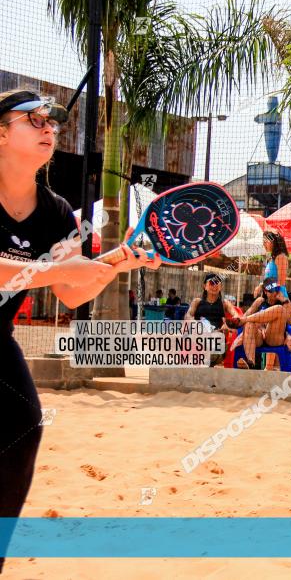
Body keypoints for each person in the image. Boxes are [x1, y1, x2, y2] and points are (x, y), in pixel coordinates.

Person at [0, 89, 161, 574]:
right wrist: (60, 271)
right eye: (35, 119)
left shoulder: (55, 211)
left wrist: (115, 264)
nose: (49, 127)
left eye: (53, 122)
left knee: (24, 428)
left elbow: (72, 295)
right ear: (1, 132)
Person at [231, 278, 291, 370]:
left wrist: (285, 300)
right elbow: (243, 318)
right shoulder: (260, 301)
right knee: (248, 324)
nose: (275, 293)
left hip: (274, 338)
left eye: (276, 289)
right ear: (265, 291)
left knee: (278, 309)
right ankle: (250, 362)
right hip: (259, 337)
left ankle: (249, 321)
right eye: (271, 291)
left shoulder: (284, 302)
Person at [185, 273, 241, 366]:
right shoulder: (197, 301)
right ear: (204, 286)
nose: (214, 286)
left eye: (217, 283)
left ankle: (206, 361)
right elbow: (188, 315)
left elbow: (236, 314)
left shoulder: (224, 303)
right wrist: (196, 324)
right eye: (211, 283)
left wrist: (227, 324)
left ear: (221, 287)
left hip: (216, 335)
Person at [263, 230, 290, 299]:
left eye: (265, 241)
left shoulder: (281, 257)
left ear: (274, 241)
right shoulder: (272, 258)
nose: (263, 244)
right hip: (270, 296)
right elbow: (269, 280)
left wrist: (272, 293)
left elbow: (281, 282)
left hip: (278, 297)